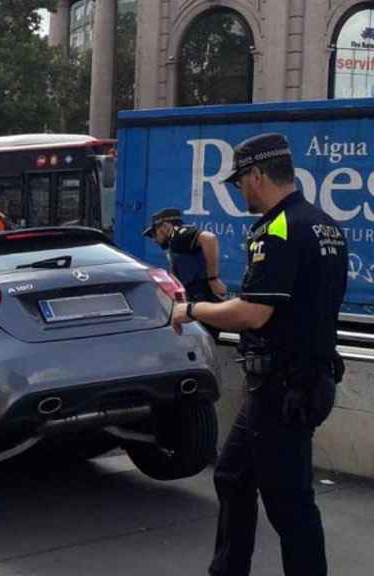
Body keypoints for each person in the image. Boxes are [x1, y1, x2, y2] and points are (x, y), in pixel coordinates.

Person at [170, 134, 347, 576]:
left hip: (284, 387)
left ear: (256, 175)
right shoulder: (325, 223)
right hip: (294, 379)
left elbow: (253, 312)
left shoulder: (278, 228)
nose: (239, 192)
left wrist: (190, 308)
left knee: (291, 508)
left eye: (239, 183)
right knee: (232, 477)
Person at [144, 207, 227, 338]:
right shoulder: (175, 242)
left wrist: (213, 278)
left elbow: (209, 238)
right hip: (196, 298)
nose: (154, 239)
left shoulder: (180, 234)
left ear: (165, 226)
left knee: (204, 339)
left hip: (203, 296)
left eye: (155, 234)